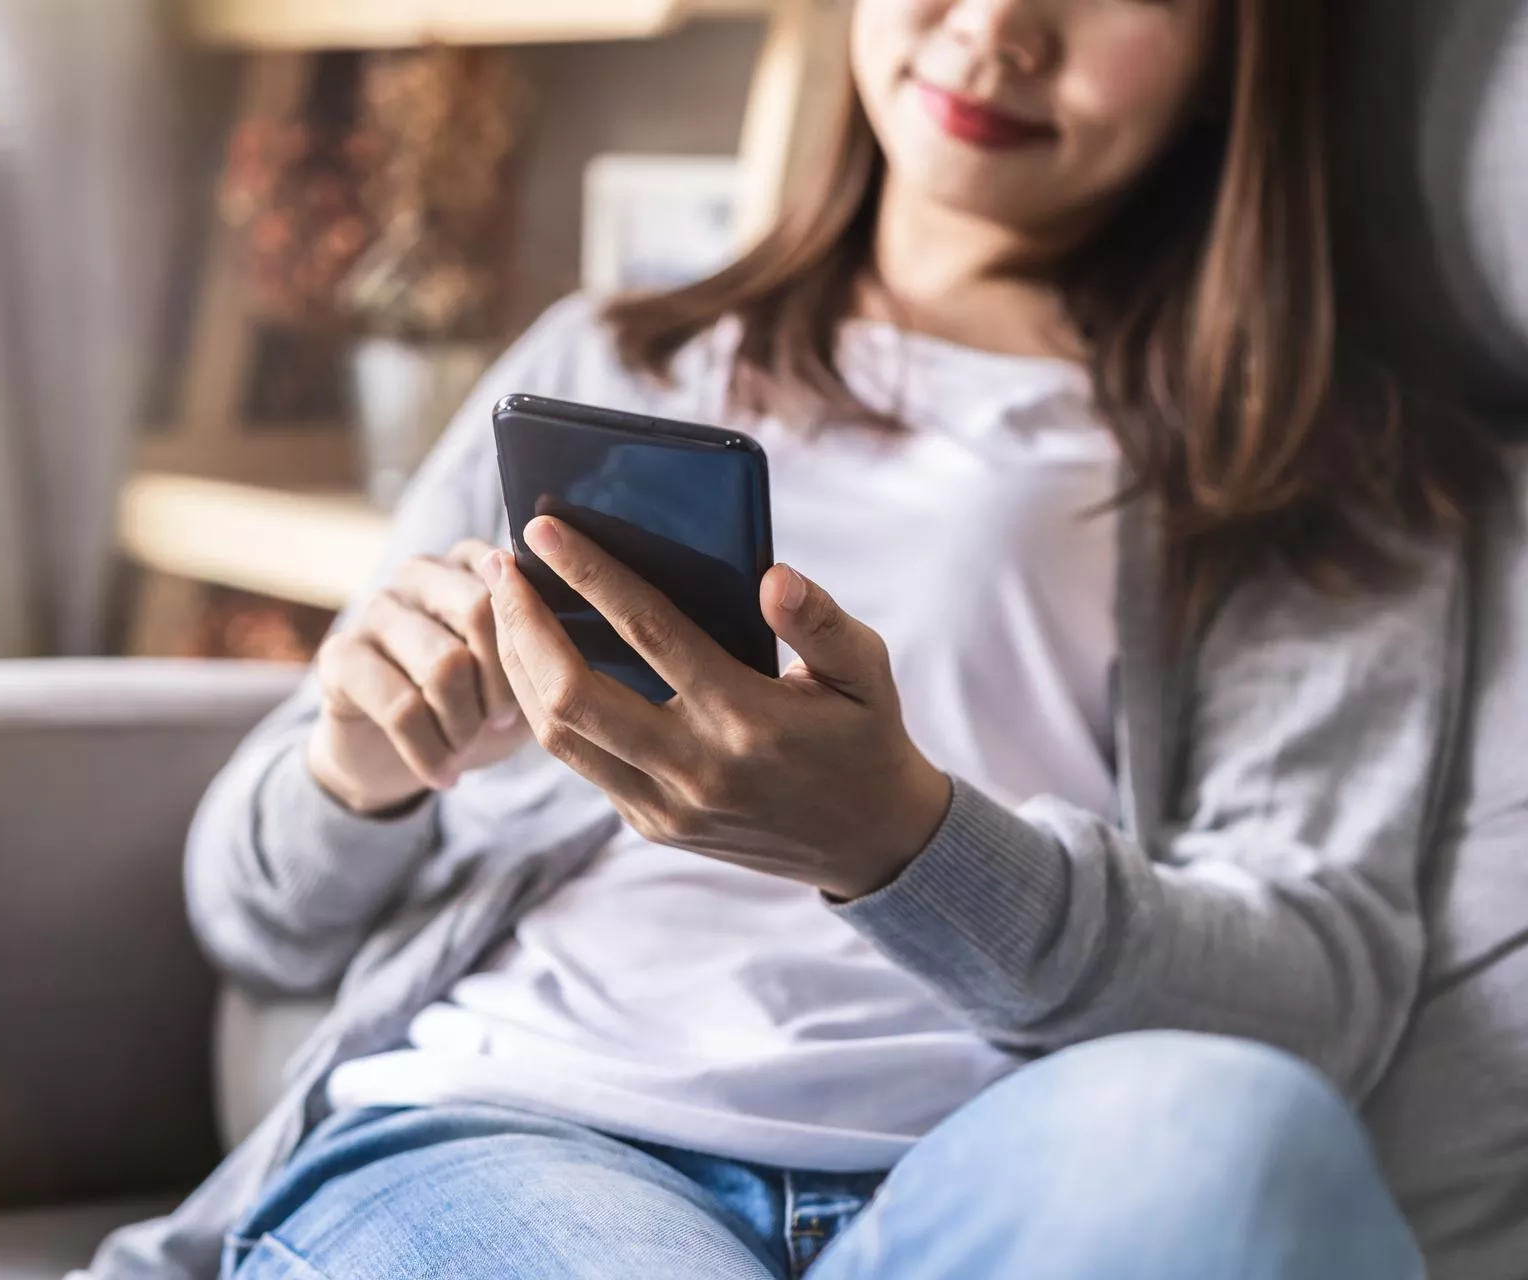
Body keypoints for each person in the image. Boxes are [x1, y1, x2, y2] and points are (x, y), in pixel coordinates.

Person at [82, 1, 1502, 1277]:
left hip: (985, 1179)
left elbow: (1314, 992)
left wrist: (906, 847)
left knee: (1240, 1134)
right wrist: (359, 758)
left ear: (1232, 53)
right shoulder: (613, 360)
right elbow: (255, 910)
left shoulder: (1322, 474)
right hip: (536, 1128)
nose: (1001, 28)